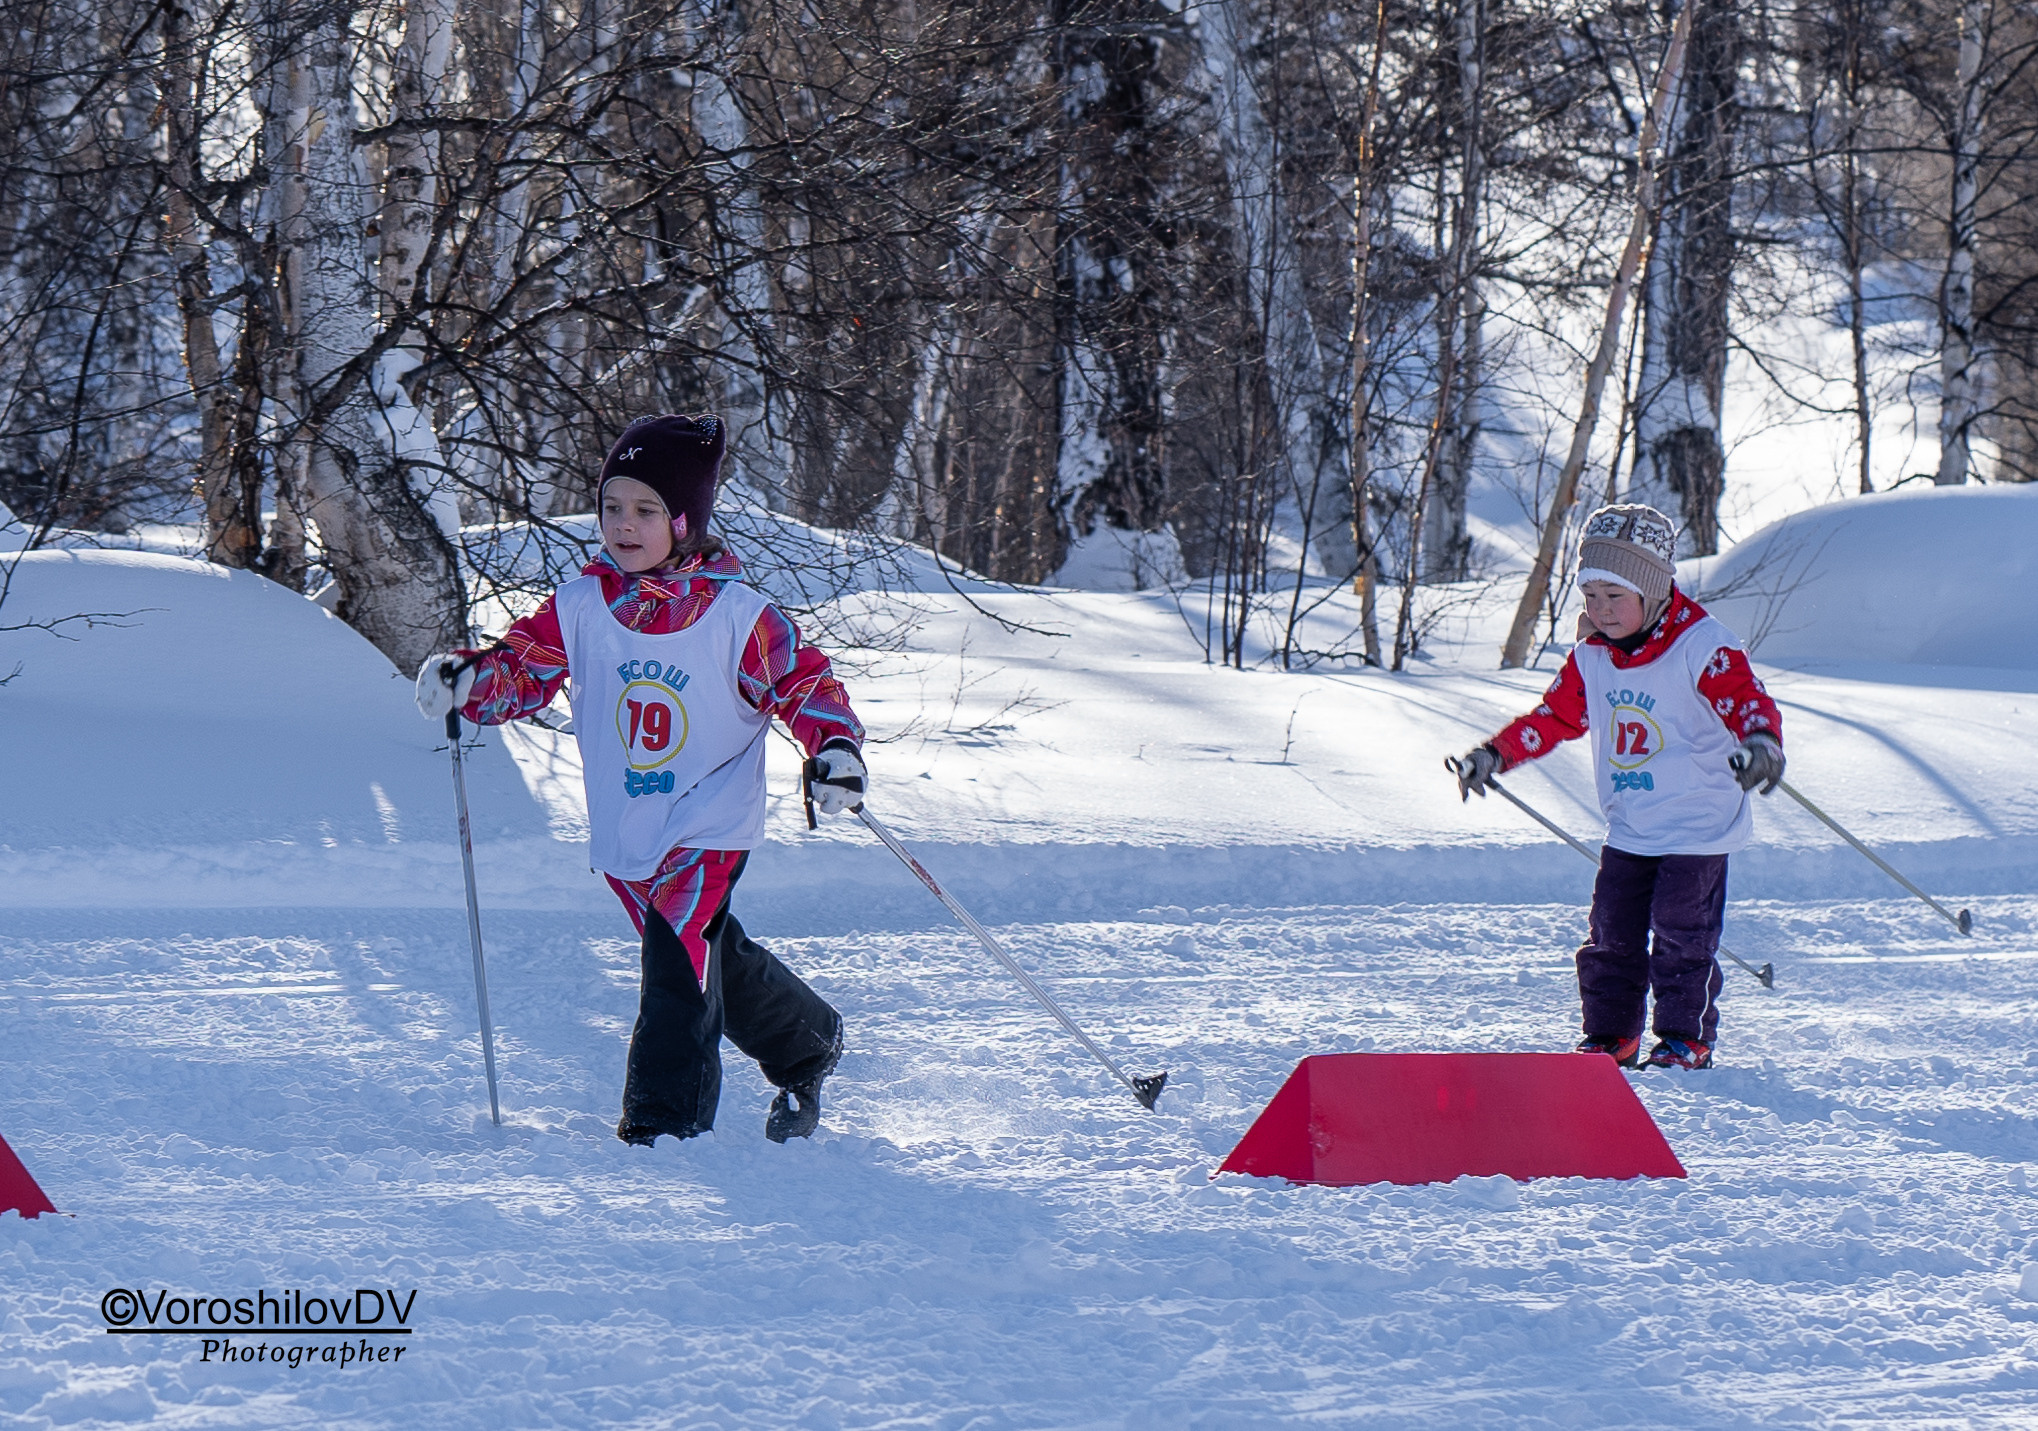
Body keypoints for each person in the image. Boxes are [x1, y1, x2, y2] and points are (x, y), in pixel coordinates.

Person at [414, 414, 867, 1145]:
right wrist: (468, 681)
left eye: (646, 509)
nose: (624, 524)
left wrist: (835, 749)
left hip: (710, 819)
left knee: (675, 957)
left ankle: (665, 1126)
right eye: (612, 506)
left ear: (685, 520)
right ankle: (806, 1040)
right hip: (629, 824)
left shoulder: (739, 617)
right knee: (701, 947)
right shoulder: (581, 607)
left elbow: (804, 685)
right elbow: (522, 670)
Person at [1452, 503, 1784, 1071]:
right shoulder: (1593, 656)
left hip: (1698, 825)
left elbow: (1747, 702)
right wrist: (1495, 754)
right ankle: (1612, 1037)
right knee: (1611, 935)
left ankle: (1686, 1038)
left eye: (1616, 596)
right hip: (1631, 824)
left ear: (1653, 591)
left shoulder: (1704, 645)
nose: (1602, 612)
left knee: (1682, 934)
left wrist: (1760, 744)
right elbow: (1554, 717)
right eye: (1591, 597)